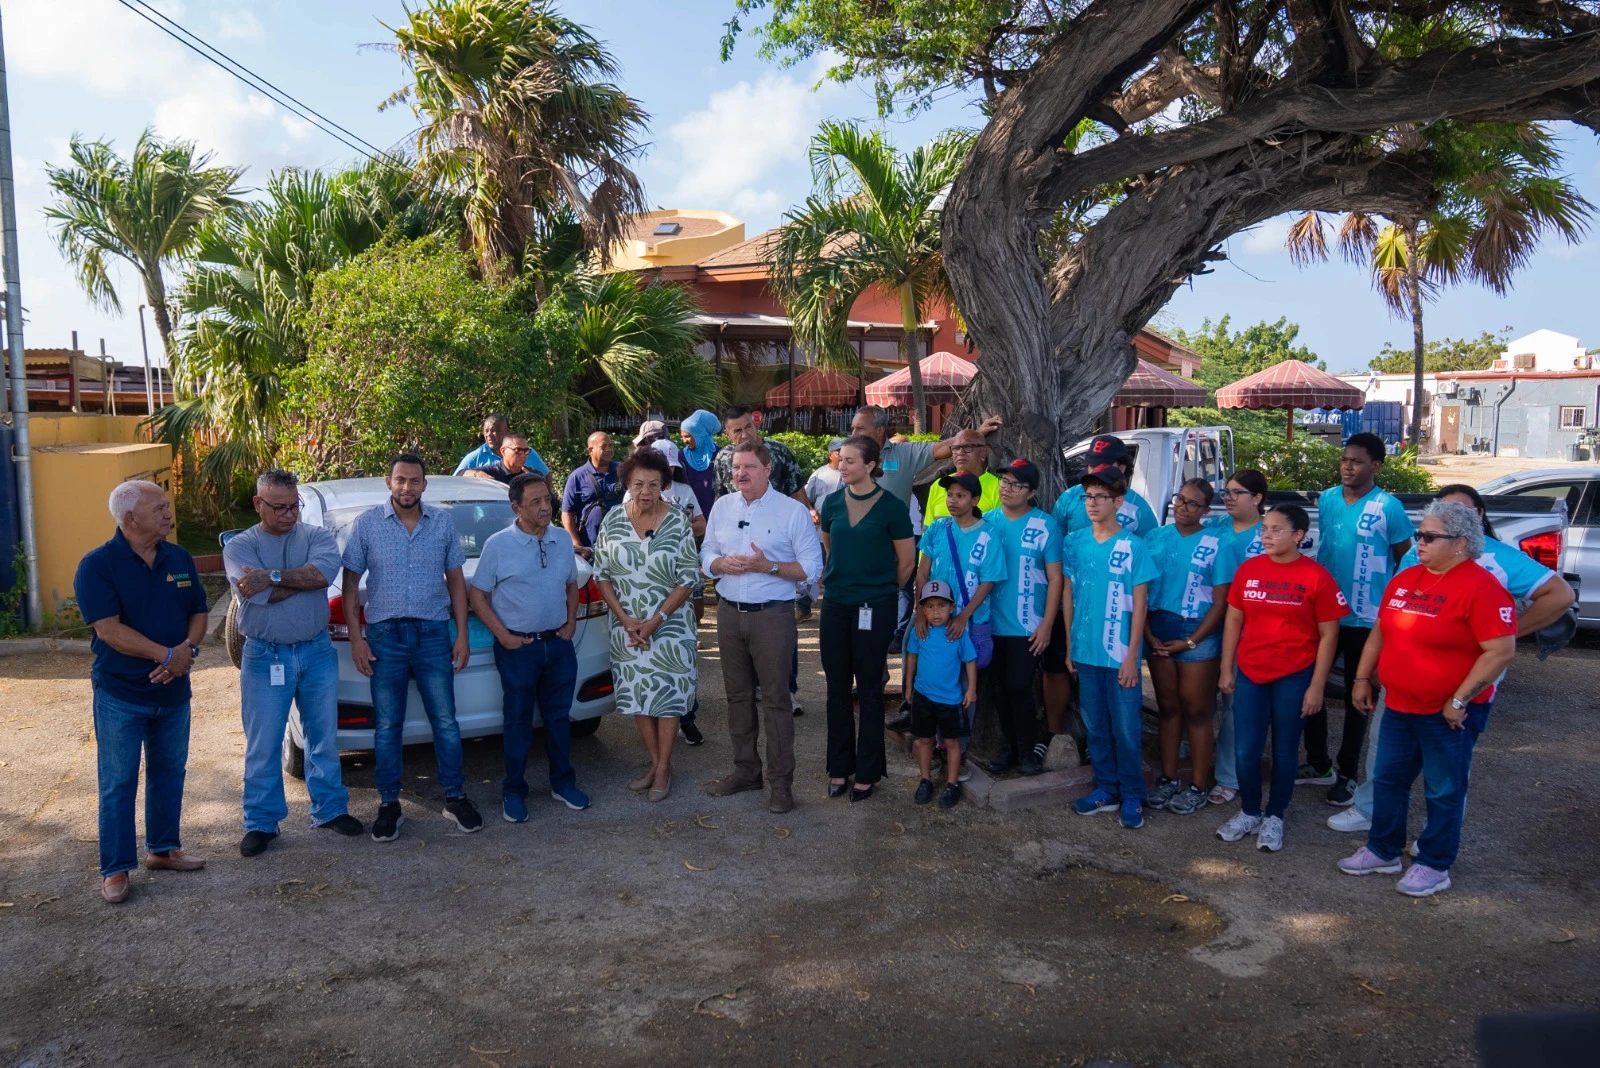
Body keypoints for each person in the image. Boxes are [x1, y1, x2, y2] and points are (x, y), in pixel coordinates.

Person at [1328, 484, 1575, 834]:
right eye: (1439, 513)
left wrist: (1506, 632)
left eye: (1460, 512)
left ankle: (1437, 838)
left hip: (1458, 685)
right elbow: (1391, 615)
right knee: (1385, 751)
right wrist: (1368, 672)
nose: (1440, 524)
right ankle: (1372, 813)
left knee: (1446, 767)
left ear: (1476, 519)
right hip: (1404, 682)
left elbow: (1560, 594)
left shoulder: (1496, 560)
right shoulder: (1419, 553)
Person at [1336, 501, 1517, 897]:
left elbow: (1500, 651)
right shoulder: (1407, 579)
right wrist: (1363, 677)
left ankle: (1435, 863)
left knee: (1443, 789)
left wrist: (1460, 698)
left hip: (1448, 712)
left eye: (1430, 536)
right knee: (1387, 780)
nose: (1419, 542)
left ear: (1461, 543)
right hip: (1400, 703)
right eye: (1419, 535)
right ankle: (1383, 850)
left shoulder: (1482, 588)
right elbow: (1381, 631)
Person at [74, 480, 210, 904]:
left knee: (170, 771)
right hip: (121, 693)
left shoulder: (179, 557)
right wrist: (167, 655)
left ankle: (164, 850)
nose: (169, 515)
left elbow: (200, 612)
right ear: (130, 519)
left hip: (174, 691)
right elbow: (108, 630)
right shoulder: (97, 565)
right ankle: (115, 870)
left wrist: (184, 653)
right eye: (160, 509)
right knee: (118, 781)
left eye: (168, 507)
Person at [341, 453, 482, 841]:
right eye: (400, 480)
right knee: (388, 726)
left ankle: (455, 797)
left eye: (414, 480)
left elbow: (456, 580)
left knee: (446, 721)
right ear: (389, 482)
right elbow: (351, 584)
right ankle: (389, 804)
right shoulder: (367, 523)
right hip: (385, 638)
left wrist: (462, 633)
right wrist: (356, 636)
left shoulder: (442, 523)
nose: (407, 487)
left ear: (424, 485)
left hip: (434, 634)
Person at [224, 469, 362, 858]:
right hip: (265, 655)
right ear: (258, 504)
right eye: (279, 507)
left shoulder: (317, 536)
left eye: (294, 506)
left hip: (316, 651)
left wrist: (270, 577)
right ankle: (262, 823)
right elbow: (256, 598)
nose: (288, 514)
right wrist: (295, 581)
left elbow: (322, 575)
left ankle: (330, 809)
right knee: (263, 743)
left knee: (323, 736)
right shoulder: (239, 547)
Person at [701, 439, 824, 814]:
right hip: (728, 612)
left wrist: (766, 566)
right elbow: (706, 553)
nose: (740, 473)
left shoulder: (792, 511)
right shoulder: (722, 507)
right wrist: (719, 565)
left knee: (775, 701)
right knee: (737, 698)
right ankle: (745, 771)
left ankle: (781, 783)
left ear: (768, 470)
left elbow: (810, 570)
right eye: (736, 467)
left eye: (749, 467)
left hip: (772, 615)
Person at [1215, 504, 1345, 853]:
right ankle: (1249, 812)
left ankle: (1275, 817)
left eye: (1276, 529)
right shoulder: (1249, 570)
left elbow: (1329, 635)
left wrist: (1317, 685)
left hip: (1294, 675)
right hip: (1251, 673)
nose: (1267, 536)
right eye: (1265, 529)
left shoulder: (1316, 576)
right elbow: (1233, 621)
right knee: (1246, 750)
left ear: (1299, 536)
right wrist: (1228, 668)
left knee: (1286, 750)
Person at [468, 473, 587, 823]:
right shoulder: (498, 545)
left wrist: (571, 623)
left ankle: (563, 783)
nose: (544, 507)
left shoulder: (562, 539)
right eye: (535, 502)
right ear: (516, 508)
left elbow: (571, 584)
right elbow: (478, 595)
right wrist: (503, 636)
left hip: (558, 645)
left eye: (547, 500)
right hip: (518, 648)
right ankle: (514, 790)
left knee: (559, 720)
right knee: (518, 722)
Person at [1303, 432, 1415, 806]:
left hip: (1366, 621)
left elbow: (1407, 560)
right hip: (1324, 616)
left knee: (1358, 695)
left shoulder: (1389, 507)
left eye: (1357, 461)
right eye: (1344, 459)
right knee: (1310, 687)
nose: (1348, 466)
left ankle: (1348, 774)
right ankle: (1319, 765)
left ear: (1376, 466)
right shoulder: (1329, 499)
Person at [595, 448, 701, 803]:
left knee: (667, 698)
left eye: (654, 484)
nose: (645, 491)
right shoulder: (612, 520)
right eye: (638, 483)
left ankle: (665, 767)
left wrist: (656, 620)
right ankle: (656, 764)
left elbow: (687, 579)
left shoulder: (677, 522)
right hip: (626, 627)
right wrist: (626, 621)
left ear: (664, 486)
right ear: (627, 483)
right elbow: (602, 575)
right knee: (639, 697)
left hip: (670, 627)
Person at [817, 435, 916, 802]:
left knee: (871, 688)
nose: (842, 466)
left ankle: (869, 770)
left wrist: (880, 592)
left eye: (850, 461)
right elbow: (829, 547)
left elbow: (906, 562)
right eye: (840, 460)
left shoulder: (891, 507)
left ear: (871, 465)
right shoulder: (831, 504)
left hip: (874, 607)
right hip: (836, 606)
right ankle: (839, 767)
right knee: (837, 688)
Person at [1065, 462, 1160, 830]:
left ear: (1118, 502)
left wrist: (1132, 657)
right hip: (1085, 651)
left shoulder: (1134, 546)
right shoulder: (1075, 542)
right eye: (1088, 496)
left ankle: (1133, 795)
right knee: (1096, 726)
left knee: (1126, 729)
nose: (1092, 503)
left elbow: (1140, 606)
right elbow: (1069, 596)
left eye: (1100, 497)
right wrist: (1071, 645)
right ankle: (1106, 788)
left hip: (1120, 653)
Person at [1143, 478, 1236, 816]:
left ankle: (1198, 785)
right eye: (1180, 499)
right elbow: (1142, 589)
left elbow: (1221, 603)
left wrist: (1192, 640)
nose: (1182, 507)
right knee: (1168, 708)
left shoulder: (1218, 543)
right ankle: (1168, 778)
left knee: (1197, 710)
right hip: (1159, 626)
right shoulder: (1155, 537)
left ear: (1206, 511)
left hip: (1198, 631)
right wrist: (1148, 633)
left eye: (1192, 503)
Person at [914, 472, 1006, 765]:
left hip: (970, 621)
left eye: (960, 496)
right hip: (933, 618)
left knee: (965, 687)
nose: (952, 501)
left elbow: (988, 580)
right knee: (932, 676)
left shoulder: (988, 534)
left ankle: (957, 748)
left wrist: (964, 616)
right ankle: (933, 740)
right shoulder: (938, 528)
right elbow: (922, 572)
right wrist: (919, 611)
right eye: (949, 495)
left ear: (975, 499)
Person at [984, 459, 1064, 774]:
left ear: (1031, 492)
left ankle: (1028, 750)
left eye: (1016, 484)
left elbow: (1057, 578)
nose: (1007, 488)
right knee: (999, 688)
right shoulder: (987, 521)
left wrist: (1047, 624)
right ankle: (1009, 747)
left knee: (1019, 685)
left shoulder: (1046, 525)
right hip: (991, 620)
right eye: (1004, 481)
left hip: (1028, 624)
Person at [1203, 468, 1269, 805]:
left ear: (1257, 499)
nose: (1228, 498)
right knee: (1198, 698)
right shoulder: (1213, 529)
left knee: (1234, 705)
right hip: (1204, 627)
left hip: (1246, 633)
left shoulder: (1268, 536)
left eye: (1237, 492)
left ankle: (1229, 776)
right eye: (1226, 491)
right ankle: (1193, 753)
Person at [904, 580, 978, 809]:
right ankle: (925, 779)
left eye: (941, 606)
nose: (936, 612)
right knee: (924, 739)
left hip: (950, 699)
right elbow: (912, 658)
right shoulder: (920, 631)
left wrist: (971, 689)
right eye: (930, 606)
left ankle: (952, 783)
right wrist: (908, 687)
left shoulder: (957, 632)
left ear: (951, 607)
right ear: (923, 609)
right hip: (923, 696)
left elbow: (970, 661)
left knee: (952, 742)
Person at [846, 405, 1002, 508]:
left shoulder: (904, 454)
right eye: (852, 428)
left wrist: (976, 434)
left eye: (860, 428)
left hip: (890, 547)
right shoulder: (847, 458)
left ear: (880, 430)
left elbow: (941, 448)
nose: (854, 434)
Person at [1052, 435, 1160, 536]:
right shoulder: (1069, 498)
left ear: (1122, 468)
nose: (1096, 471)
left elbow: (1151, 548)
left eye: (1103, 466)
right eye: (1092, 465)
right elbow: (1055, 543)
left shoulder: (1138, 508)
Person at [713, 406, 812, 506]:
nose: (745, 435)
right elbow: (720, 496)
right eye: (738, 431)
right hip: (739, 518)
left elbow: (797, 492)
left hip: (777, 517)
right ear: (727, 434)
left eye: (748, 427)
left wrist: (806, 517)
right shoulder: (723, 457)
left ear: (754, 425)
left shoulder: (779, 451)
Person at [561, 431, 622, 560]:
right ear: (590, 450)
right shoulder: (577, 477)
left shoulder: (623, 471)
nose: (609, 450)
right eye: (604, 446)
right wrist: (577, 544)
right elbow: (567, 514)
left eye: (611, 446)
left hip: (622, 544)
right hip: (591, 549)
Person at [922, 429, 1003, 520]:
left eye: (967, 447)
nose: (960, 452)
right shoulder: (938, 485)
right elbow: (928, 530)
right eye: (956, 448)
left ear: (983, 452)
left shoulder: (1000, 488)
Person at [678, 409, 722, 519]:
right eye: (682, 437)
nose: (684, 441)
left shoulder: (721, 455)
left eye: (687, 436)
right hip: (690, 517)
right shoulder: (680, 456)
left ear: (700, 434)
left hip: (715, 514)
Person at [462, 431, 549, 485]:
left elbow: (553, 505)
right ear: (503, 451)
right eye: (518, 450)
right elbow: (460, 474)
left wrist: (535, 485)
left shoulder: (533, 474)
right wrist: (477, 474)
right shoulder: (492, 472)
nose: (523, 455)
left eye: (526, 451)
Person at [806, 437, 847, 522]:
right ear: (830, 456)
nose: (841, 456)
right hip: (821, 523)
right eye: (838, 452)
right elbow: (806, 498)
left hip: (843, 521)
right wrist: (811, 510)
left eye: (844, 452)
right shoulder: (819, 474)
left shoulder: (851, 474)